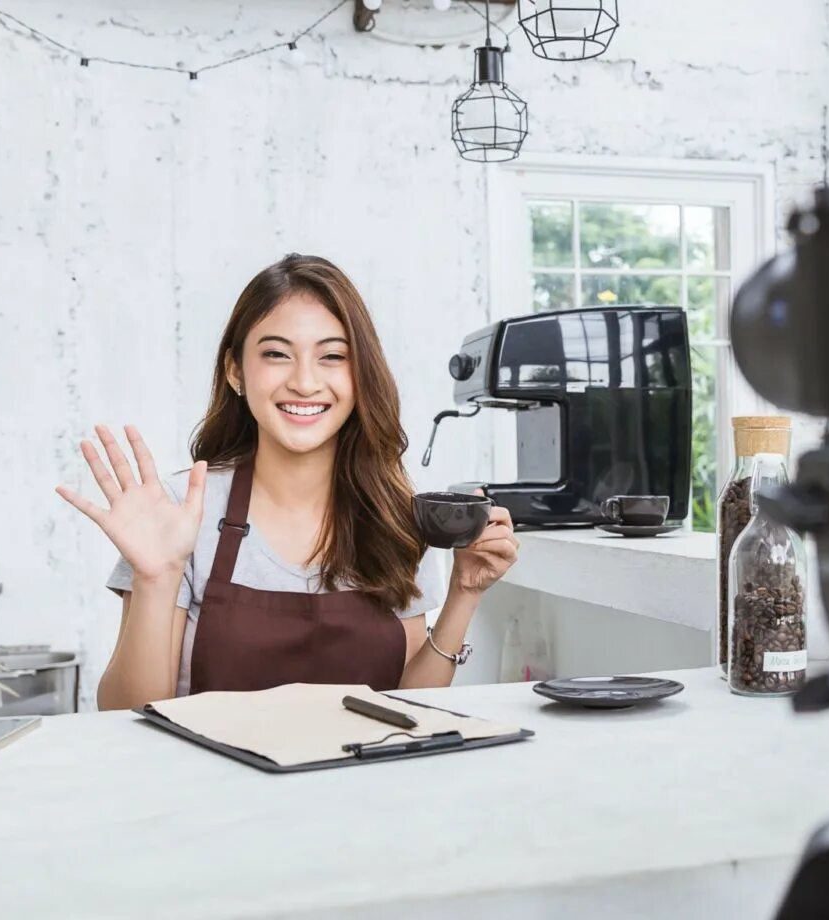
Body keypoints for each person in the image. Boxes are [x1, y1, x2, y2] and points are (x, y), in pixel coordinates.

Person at [57, 254, 520, 710]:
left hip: (364, 783)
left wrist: (464, 594)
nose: (304, 382)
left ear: (361, 375)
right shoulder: (181, 511)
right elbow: (125, 714)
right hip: (210, 785)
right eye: (277, 354)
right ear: (235, 370)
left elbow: (409, 708)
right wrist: (156, 579)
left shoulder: (392, 515)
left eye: (333, 356)